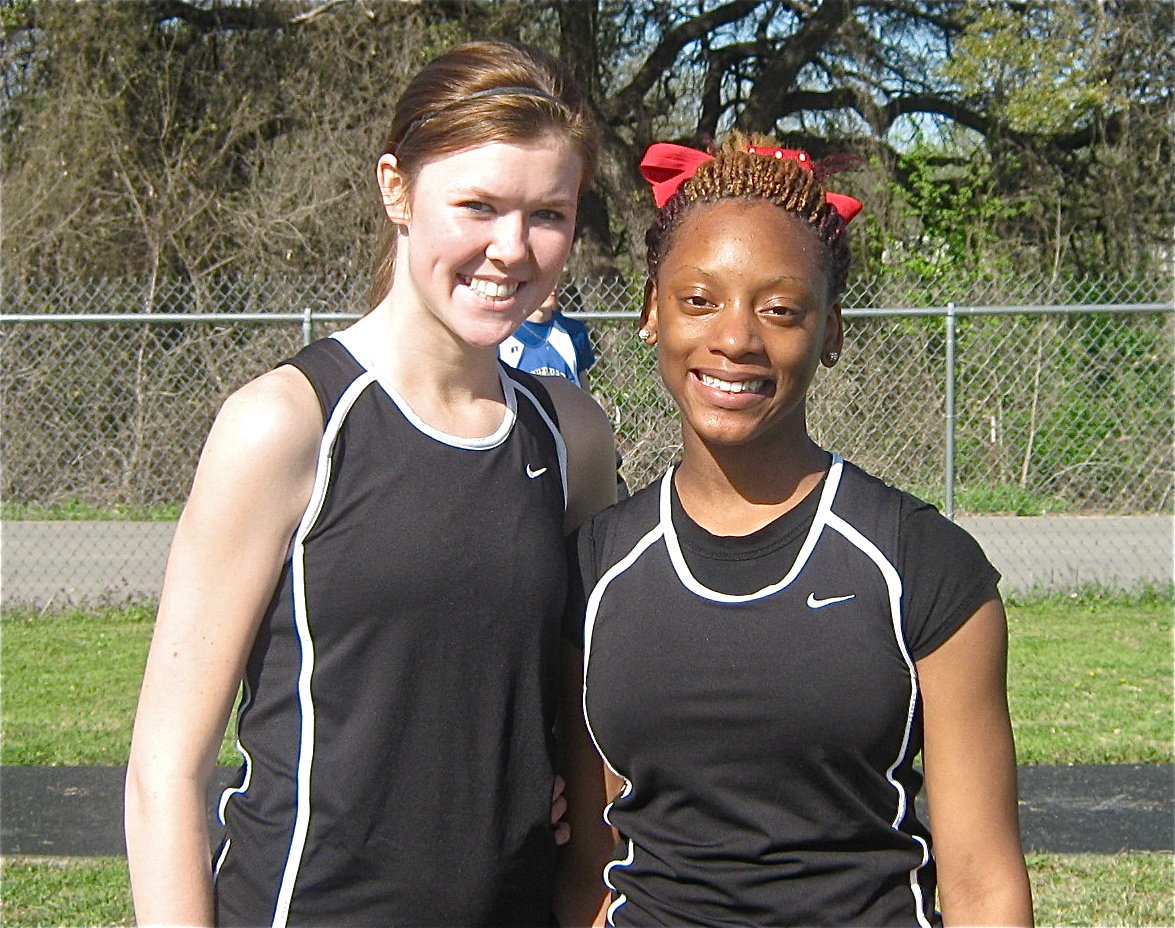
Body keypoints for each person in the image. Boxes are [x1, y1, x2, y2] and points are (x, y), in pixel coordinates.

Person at [124, 38, 617, 928]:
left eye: (548, 213)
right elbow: (166, 766)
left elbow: (587, 690)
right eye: (477, 205)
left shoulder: (570, 434)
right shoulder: (287, 424)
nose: (511, 249)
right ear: (396, 188)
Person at [561, 132, 1034, 926]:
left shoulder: (923, 566)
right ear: (651, 313)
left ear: (832, 329)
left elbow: (984, 885)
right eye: (698, 299)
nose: (736, 337)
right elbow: (587, 870)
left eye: (779, 309)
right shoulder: (592, 571)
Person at [499, 283, 597, 388]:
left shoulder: (574, 331)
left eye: (556, 278)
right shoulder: (501, 335)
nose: (553, 286)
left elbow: (583, 387)